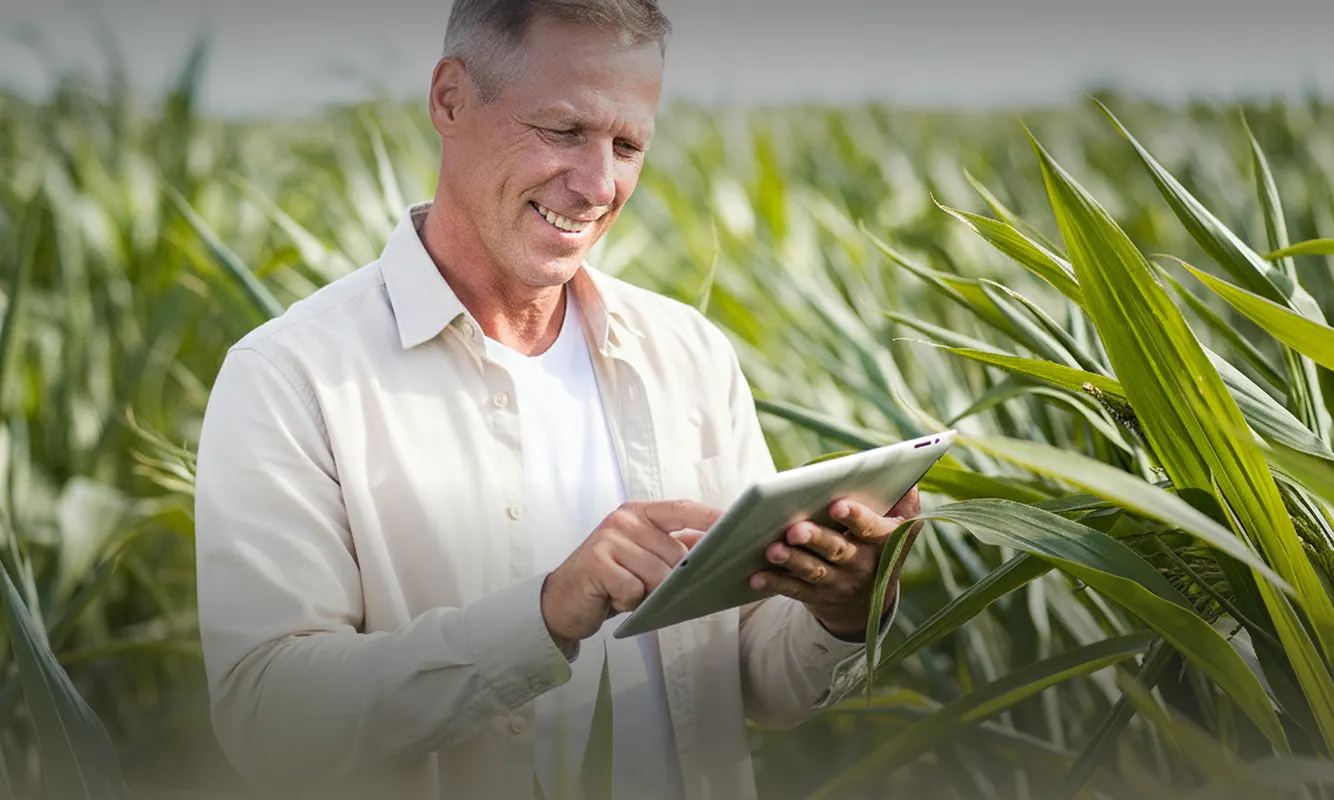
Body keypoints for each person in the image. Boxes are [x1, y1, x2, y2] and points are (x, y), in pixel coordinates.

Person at [193, 1, 921, 798]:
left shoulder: (690, 356)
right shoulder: (288, 377)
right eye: (563, 130)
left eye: (627, 144)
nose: (598, 185)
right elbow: (266, 718)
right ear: (449, 99)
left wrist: (842, 610)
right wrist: (544, 616)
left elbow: (756, 678)